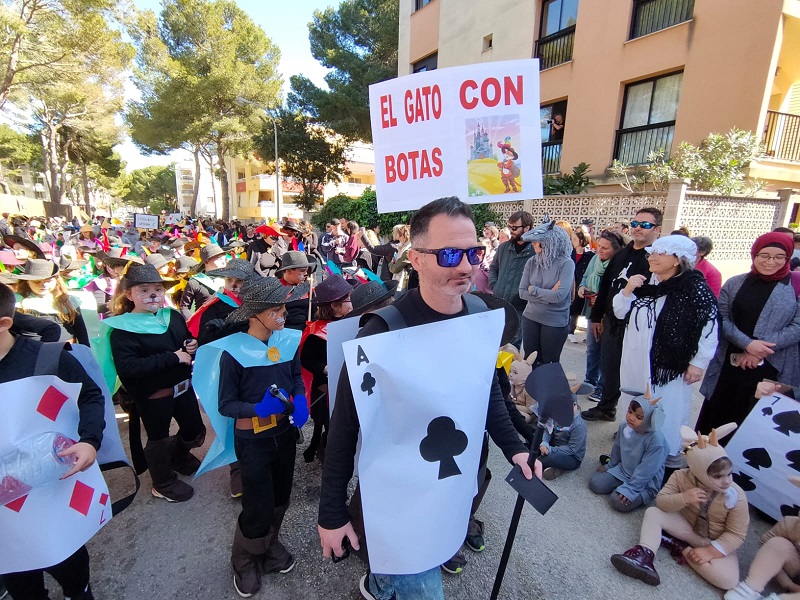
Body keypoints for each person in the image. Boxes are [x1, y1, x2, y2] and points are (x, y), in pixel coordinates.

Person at [317, 197, 536, 600]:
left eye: (473, 252)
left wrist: (515, 449)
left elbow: (487, 393)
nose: (466, 266)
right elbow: (345, 425)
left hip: (453, 488)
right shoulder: (382, 332)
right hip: (398, 501)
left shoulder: (478, 316)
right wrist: (331, 512)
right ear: (415, 259)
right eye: (449, 254)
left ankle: (380, 583)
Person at [0, 282, 103, 600]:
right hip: (5, 519)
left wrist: (89, 441)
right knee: (20, 582)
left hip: (52, 489)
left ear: (4, 323)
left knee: (70, 565)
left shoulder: (47, 359)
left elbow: (89, 395)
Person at [214, 277, 309, 598]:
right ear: (254, 315)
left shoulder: (287, 342)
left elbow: (295, 376)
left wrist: (301, 399)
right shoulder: (233, 354)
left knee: (281, 497)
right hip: (252, 440)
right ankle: (244, 558)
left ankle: (268, 545)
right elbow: (226, 405)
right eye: (275, 310)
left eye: (283, 308)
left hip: (284, 434)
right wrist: (257, 408)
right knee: (257, 503)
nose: (283, 315)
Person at [613, 235, 718, 474]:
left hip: (668, 367)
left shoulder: (694, 289)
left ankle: (662, 463)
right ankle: (631, 456)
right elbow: (619, 312)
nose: (653, 257)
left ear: (678, 259)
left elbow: (709, 328)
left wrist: (698, 363)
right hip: (638, 360)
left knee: (667, 412)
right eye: (652, 253)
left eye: (660, 253)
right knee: (636, 406)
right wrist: (627, 290)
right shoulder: (646, 283)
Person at [105, 263, 205, 502]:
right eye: (144, 290)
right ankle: (163, 482)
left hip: (183, 388)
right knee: (158, 439)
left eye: (157, 289)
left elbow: (185, 340)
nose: (152, 295)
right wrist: (172, 358)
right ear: (129, 294)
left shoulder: (171, 316)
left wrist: (192, 344)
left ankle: (178, 456)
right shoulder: (121, 329)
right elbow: (128, 368)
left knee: (194, 429)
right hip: (154, 395)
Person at [611, 426, 749, 590]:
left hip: (715, 540)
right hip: (687, 527)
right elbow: (661, 501)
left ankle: (678, 546)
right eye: (718, 476)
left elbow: (736, 534)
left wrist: (710, 552)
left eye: (729, 474)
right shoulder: (681, 476)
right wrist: (684, 498)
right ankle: (644, 554)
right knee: (653, 513)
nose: (726, 481)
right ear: (699, 469)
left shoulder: (736, 495)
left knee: (728, 581)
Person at [696, 232, 800, 435]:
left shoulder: (795, 286)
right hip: (731, 363)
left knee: (755, 422)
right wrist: (747, 344)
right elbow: (721, 318)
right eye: (764, 255)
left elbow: (797, 326)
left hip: (772, 366)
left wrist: (758, 349)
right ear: (754, 254)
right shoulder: (735, 283)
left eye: (779, 257)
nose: (771, 262)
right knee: (719, 418)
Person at [583, 208, 662, 422]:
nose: (638, 228)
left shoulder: (657, 258)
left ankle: (638, 421)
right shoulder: (622, 254)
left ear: (657, 229)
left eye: (645, 225)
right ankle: (606, 408)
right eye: (635, 223)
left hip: (638, 326)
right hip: (612, 322)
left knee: (635, 373)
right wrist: (596, 317)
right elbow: (606, 287)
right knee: (610, 367)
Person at [299, 274, 352, 464]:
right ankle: (329, 453)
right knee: (329, 422)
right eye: (348, 299)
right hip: (324, 387)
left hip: (345, 381)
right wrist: (325, 368)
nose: (352, 302)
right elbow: (306, 359)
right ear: (336, 306)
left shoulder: (350, 322)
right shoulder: (316, 332)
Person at [589, 394, 668, 512]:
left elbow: (646, 470)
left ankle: (639, 492)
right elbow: (617, 448)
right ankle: (622, 485)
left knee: (616, 501)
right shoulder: (624, 426)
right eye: (630, 411)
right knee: (595, 483)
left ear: (651, 419)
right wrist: (610, 465)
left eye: (639, 417)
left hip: (645, 483)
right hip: (624, 471)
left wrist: (631, 489)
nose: (631, 418)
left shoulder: (656, 441)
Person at [724, 477, 800, 600]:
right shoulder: (792, 524)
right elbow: (765, 545)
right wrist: (787, 583)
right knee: (777, 544)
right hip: (795, 569)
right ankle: (751, 587)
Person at [518, 220, 574, 364]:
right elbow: (522, 292)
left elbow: (559, 296)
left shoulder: (566, 263)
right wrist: (548, 294)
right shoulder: (531, 261)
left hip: (554, 322)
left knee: (549, 364)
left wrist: (534, 290)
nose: (533, 243)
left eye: (536, 241)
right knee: (529, 361)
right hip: (530, 317)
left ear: (549, 241)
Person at [578, 230, 624, 401]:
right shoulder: (594, 259)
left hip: (610, 314)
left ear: (616, 250)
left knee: (606, 351)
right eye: (599, 246)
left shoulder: (619, 264)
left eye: (605, 248)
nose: (600, 250)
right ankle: (589, 381)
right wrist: (582, 287)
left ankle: (602, 387)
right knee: (592, 348)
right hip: (593, 310)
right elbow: (585, 277)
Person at [11, 258, 90, 346]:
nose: (43, 285)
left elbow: (80, 330)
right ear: (27, 282)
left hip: (65, 350)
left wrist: (86, 350)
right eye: (37, 281)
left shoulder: (68, 300)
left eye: (48, 280)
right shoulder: (16, 301)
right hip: (30, 350)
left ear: (56, 280)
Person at [489, 211, 534, 348]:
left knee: (513, 350)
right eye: (509, 226)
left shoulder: (535, 252)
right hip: (499, 306)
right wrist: (495, 285)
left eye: (514, 227)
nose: (511, 231)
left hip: (520, 309)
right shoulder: (503, 248)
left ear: (527, 228)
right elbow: (493, 268)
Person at [539, 399, 586, 480]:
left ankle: (539, 463)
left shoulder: (578, 425)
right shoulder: (555, 414)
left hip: (571, 456)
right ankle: (555, 466)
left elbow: (572, 449)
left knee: (550, 458)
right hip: (555, 445)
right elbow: (548, 430)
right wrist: (545, 443)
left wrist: (550, 450)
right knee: (534, 438)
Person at [179, 245, 228, 319]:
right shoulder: (195, 282)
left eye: (223, 258)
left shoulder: (229, 279)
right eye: (219, 258)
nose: (223, 261)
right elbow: (184, 307)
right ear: (206, 261)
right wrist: (194, 322)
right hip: (203, 323)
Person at [275, 251, 316, 331]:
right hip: (284, 333)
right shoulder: (275, 290)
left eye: (306, 270)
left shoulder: (309, 289)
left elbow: (314, 313)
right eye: (302, 270)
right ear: (289, 271)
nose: (306, 274)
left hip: (306, 332)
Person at [567, 225, 594, 343]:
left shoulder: (590, 256)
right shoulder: (569, 253)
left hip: (582, 284)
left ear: (581, 240)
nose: (572, 242)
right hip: (570, 283)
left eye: (575, 239)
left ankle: (575, 332)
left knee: (578, 308)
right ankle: (569, 331)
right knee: (570, 308)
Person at [388, 224, 413, 291]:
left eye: (400, 235)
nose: (399, 238)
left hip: (404, 283)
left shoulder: (408, 250)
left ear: (406, 235)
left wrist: (391, 264)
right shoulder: (402, 247)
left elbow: (395, 268)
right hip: (403, 281)